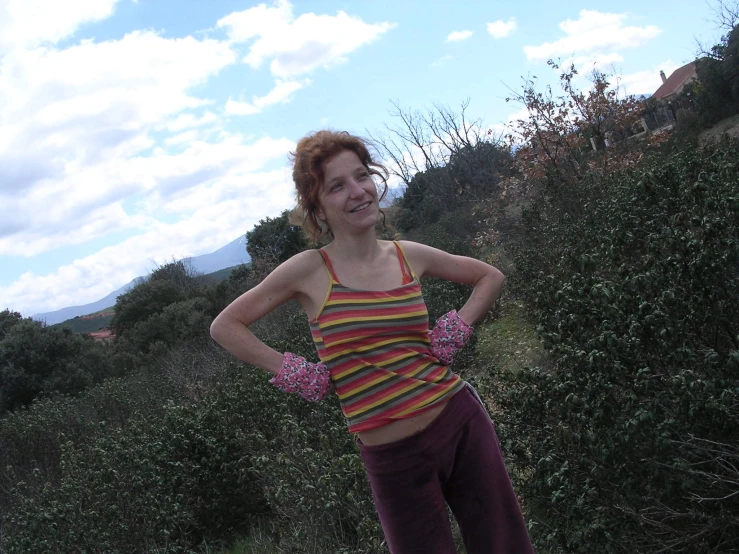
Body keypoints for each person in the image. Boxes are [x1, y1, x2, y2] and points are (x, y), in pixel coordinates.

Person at [210, 130, 534, 554]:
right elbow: (226, 326)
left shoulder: (407, 255)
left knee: (504, 546)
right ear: (317, 207)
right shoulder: (308, 270)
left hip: (460, 424)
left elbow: (490, 276)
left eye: (362, 176)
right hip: (392, 459)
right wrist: (295, 372)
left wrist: (456, 328)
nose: (358, 191)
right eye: (337, 186)